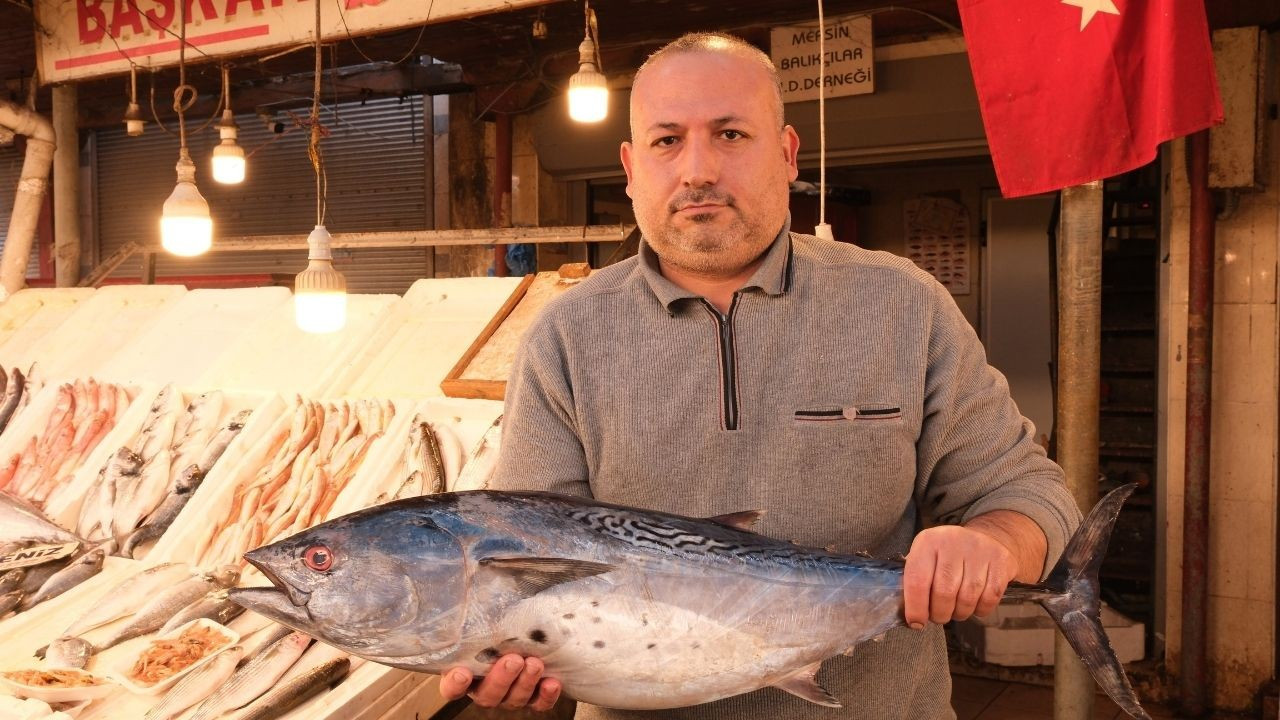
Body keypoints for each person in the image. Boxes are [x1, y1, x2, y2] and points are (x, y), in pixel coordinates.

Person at [438, 32, 1081, 719]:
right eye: (666, 141)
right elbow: (528, 558)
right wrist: (502, 669)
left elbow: (1030, 492)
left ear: (786, 154)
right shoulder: (565, 336)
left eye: (731, 134)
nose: (697, 170)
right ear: (629, 168)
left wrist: (991, 542)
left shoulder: (901, 303)